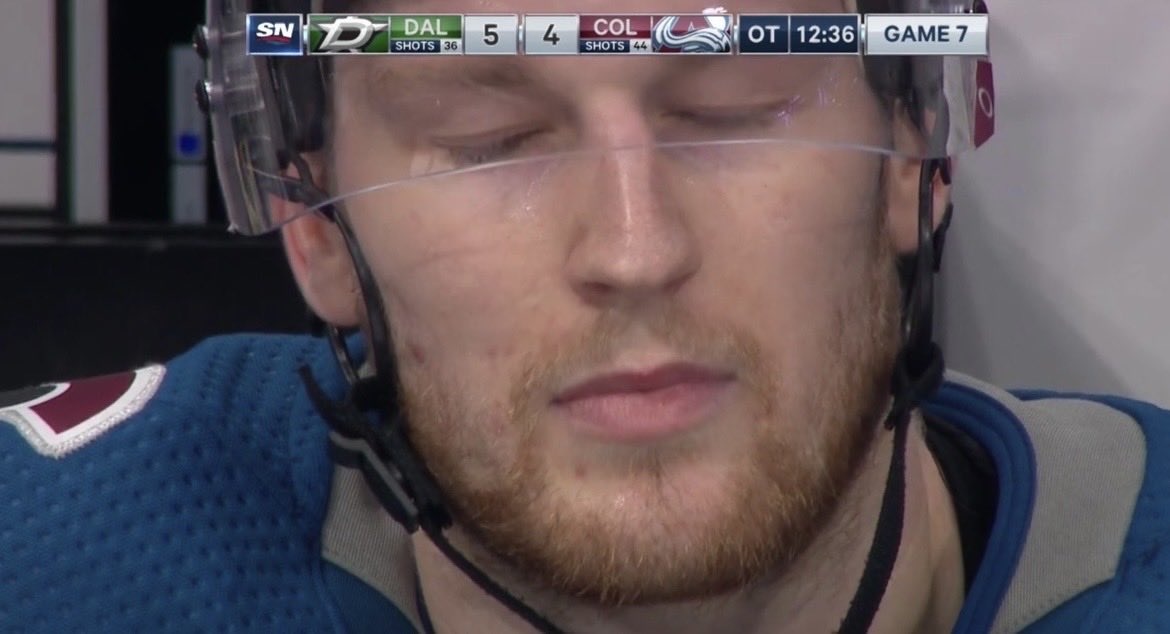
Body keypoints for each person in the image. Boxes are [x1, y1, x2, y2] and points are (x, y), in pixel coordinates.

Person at [2, 1, 1167, 632]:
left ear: (917, 159)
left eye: (734, 109)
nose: (633, 248)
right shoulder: (65, 565)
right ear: (315, 229)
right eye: (488, 142)